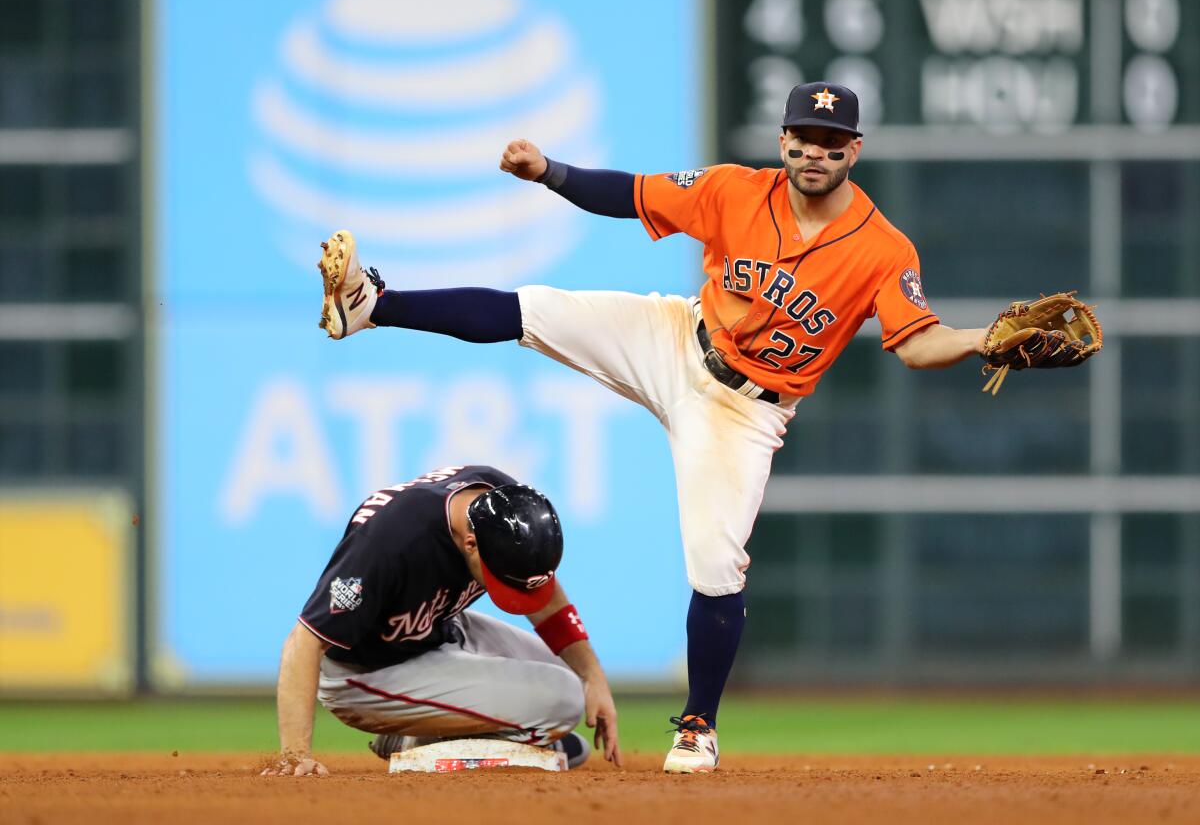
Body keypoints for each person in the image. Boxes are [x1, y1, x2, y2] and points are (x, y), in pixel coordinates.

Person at [313, 82, 989, 774]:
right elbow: (630, 193)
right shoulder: (733, 190)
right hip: (677, 338)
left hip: (746, 410)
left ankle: (697, 725)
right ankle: (374, 305)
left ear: (855, 150)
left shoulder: (882, 247)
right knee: (536, 311)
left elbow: (916, 342)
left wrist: (983, 340)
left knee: (717, 563)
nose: (814, 153)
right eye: (802, 138)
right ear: (783, 139)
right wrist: (550, 172)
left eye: (830, 142)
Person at [262, 466, 621, 776]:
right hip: (366, 671)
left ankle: (424, 729)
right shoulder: (390, 541)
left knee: (572, 677)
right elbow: (304, 640)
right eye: (502, 579)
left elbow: (541, 594)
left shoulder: (501, 504)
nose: (511, 592)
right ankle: (423, 740)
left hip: (438, 628)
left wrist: (593, 676)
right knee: (564, 701)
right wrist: (295, 756)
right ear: (470, 544)